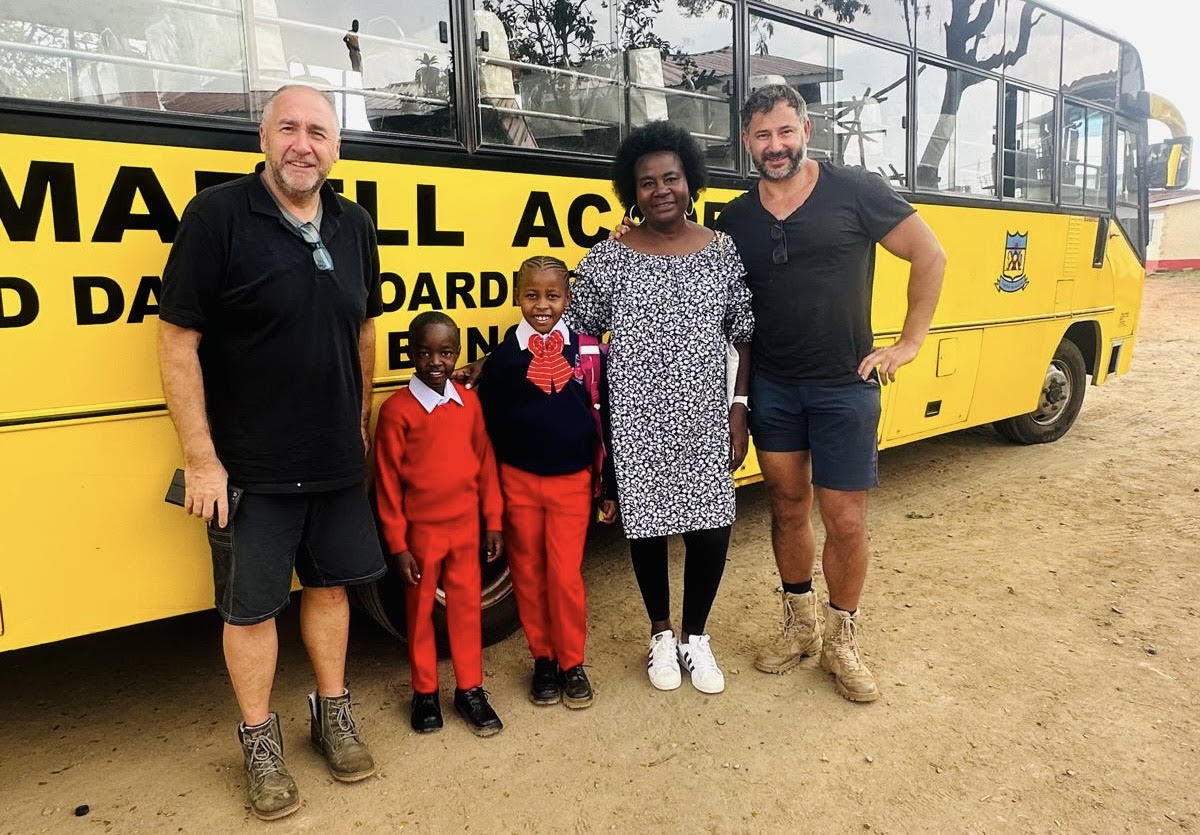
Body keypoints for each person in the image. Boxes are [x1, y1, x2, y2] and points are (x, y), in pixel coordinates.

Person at [158, 84, 383, 820]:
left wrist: (358, 423)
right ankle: (260, 743)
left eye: (317, 131)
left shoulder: (354, 223)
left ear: (336, 147)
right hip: (249, 467)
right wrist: (201, 457)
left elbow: (365, 329)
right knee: (251, 611)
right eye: (288, 128)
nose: (302, 145)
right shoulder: (217, 217)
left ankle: (332, 715)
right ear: (263, 138)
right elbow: (177, 342)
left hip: (334, 459)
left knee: (331, 589)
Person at [716, 84, 946, 703]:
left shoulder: (856, 190)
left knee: (845, 519)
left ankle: (842, 639)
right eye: (762, 136)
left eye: (785, 132)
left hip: (846, 387)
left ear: (807, 131)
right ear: (747, 142)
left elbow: (929, 254)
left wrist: (909, 343)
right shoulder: (735, 219)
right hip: (773, 388)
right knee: (787, 505)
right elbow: (693, 271)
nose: (775, 146)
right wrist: (628, 236)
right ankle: (801, 627)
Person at [567, 121, 755, 696]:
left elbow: (743, 334)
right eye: (646, 182)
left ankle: (696, 635)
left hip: (706, 413)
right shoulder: (609, 257)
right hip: (636, 417)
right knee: (646, 527)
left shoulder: (721, 251)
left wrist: (739, 409)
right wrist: (495, 361)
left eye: (670, 177)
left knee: (711, 528)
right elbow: (570, 326)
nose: (660, 190)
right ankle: (661, 633)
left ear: (690, 180)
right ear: (633, 191)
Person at [476, 256, 618, 710]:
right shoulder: (503, 359)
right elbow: (488, 429)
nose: (542, 305)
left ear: (568, 298)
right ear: (518, 297)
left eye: (553, 296)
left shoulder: (587, 352)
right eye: (532, 295)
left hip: (572, 483)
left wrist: (608, 486)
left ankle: (572, 662)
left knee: (565, 575)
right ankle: (542, 658)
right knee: (528, 573)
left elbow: (605, 421)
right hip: (517, 482)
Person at [373, 311, 506, 737]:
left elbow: (485, 465)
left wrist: (493, 522)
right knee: (419, 615)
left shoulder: (468, 403)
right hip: (422, 535)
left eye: (446, 353)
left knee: (466, 611)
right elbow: (387, 485)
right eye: (425, 352)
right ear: (410, 354)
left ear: (457, 354)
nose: (436, 362)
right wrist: (398, 545)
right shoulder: (396, 411)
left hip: (466, 530)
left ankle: (470, 689)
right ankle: (425, 692)